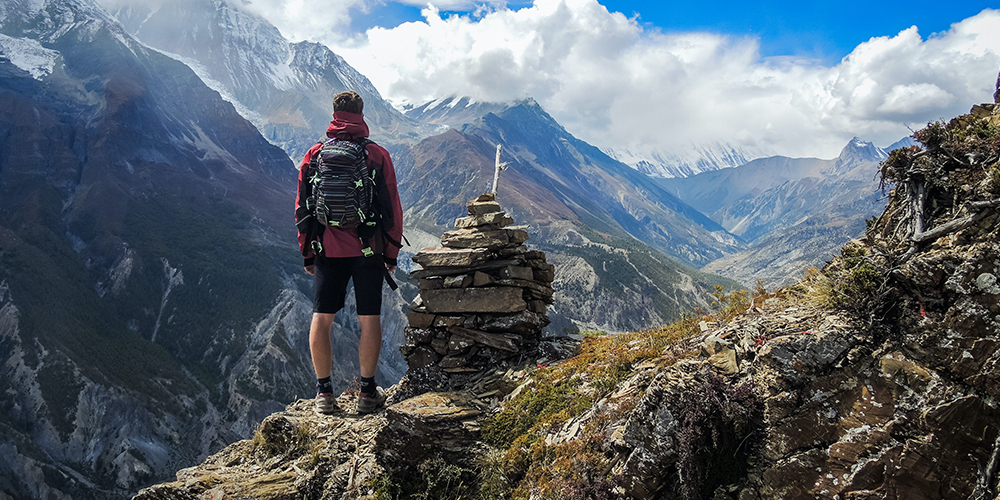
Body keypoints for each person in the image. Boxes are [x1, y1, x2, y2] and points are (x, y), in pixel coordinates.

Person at [295, 90, 403, 414]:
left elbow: (302, 208)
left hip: (326, 249)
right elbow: (392, 209)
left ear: (334, 115)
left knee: (322, 317)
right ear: (362, 114)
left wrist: (307, 252)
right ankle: (367, 393)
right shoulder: (377, 155)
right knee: (370, 319)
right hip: (368, 249)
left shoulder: (314, 155)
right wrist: (391, 253)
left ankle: (324, 394)